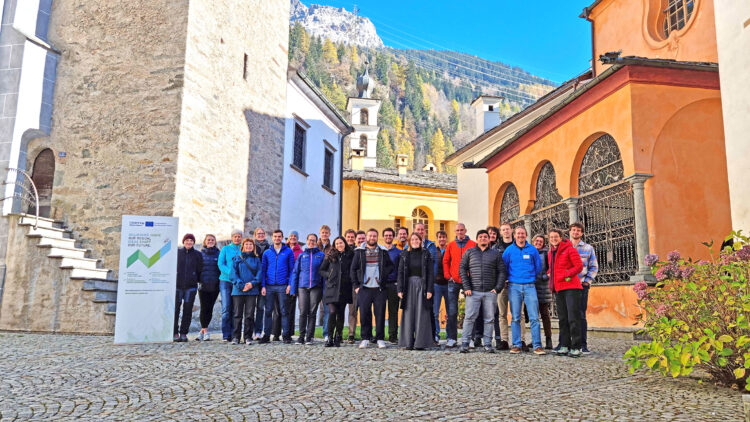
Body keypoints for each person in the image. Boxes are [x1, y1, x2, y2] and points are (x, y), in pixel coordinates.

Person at [459, 230, 506, 353]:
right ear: (477, 239)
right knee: (469, 317)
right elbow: (462, 269)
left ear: (489, 239)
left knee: (489, 319)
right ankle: (465, 343)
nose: (483, 239)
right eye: (480, 237)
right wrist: (466, 287)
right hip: (473, 291)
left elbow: (502, 271)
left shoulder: (495, 254)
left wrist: (497, 288)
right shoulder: (469, 252)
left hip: (490, 292)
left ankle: (488, 344)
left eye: (485, 237)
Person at [503, 226, 545, 355]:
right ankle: (516, 345)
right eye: (518, 234)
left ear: (526, 235)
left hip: (529, 286)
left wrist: (530, 276)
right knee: (515, 317)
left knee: (534, 317)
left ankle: (537, 345)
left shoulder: (532, 250)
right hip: (514, 286)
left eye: (523, 233)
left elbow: (538, 267)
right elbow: (504, 266)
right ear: (514, 236)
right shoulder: (509, 250)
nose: (520, 236)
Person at [351, 228, 395, 349]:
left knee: (380, 314)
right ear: (366, 237)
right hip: (364, 288)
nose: (372, 238)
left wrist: (383, 275)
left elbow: (390, 266)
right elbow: (353, 269)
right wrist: (356, 286)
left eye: (374, 236)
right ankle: (365, 338)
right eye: (370, 236)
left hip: (379, 288)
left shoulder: (383, 251)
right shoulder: (359, 252)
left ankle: (380, 338)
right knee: (364, 313)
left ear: (377, 237)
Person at [548, 228, 584, 357]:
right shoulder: (550, 252)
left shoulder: (569, 249)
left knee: (573, 317)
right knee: (562, 318)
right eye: (551, 237)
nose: (553, 239)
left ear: (561, 237)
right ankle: (564, 345)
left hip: (571, 288)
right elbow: (551, 268)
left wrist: (566, 274)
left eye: (555, 237)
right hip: (558, 289)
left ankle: (576, 346)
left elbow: (579, 266)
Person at [397, 232, 435, 350]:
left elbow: (430, 273)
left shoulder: (426, 254)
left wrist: (429, 290)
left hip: (422, 286)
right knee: (408, 313)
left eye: (417, 239)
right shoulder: (404, 254)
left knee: (421, 313)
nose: (415, 241)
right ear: (409, 241)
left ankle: (420, 343)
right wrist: (400, 289)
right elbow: (400, 272)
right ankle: (408, 342)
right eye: (412, 239)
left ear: (420, 241)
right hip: (408, 286)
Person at [442, 223, 476, 347]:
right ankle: (452, 338)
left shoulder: (473, 244)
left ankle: (469, 338)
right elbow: (445, 261)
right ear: (455, 232)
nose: (460, 232)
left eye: (462, 230)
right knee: (452, 311)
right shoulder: (451, 245)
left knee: (470, 311)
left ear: (465, 230)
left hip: (469, 281)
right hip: (453, 281)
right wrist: (447, 275)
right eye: (457, 230)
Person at [260, 229, 295, 344]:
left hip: (282, 286)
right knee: (268, 311)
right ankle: (266, 335)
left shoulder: (288, 252)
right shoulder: (267, 253)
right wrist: (263, 286)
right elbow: (263, 270)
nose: (277, 238)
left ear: (282, 237)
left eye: (279, 236)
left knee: (284, 311)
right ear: (272, 237)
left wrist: (290, 284)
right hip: (269, 286)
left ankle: (286, 335)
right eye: (275, 236)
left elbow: (292, 270)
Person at [569, 222, 598, 355]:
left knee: (581, 315)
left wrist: (587, 281)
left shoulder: (588, 248)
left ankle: (583, 344)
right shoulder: (565, 247)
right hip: (568, 286)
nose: (575, 232)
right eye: (573, 230)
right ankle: (571, 343)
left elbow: (594, 266)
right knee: (569, 315)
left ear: (581, 233)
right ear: (570, 232)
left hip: (581, 285)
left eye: (578, 231)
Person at [290, 234, 325, 345]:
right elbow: (295, 272)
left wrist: (324, 290)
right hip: (302, 287)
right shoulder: (302, 255)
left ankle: (309, 337)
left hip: (316, 287)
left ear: (316, 242)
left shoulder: (321, 255)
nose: (311, 242)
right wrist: (293, 289)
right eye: (310, 240)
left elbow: (324, 274)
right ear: (307, 241)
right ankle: (301, 336)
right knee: (303, 312)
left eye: (313, 240)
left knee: (312, 312)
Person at [320, 236, 354, 347]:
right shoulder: (330, 256)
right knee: (332, 311)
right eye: (337, 243)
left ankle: (338, 336)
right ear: (335, 245)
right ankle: (329, 337)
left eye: (341, 243)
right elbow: (321, 270)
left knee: (340, 313)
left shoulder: (350, 255)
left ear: (344, 243)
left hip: (344, 288)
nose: (339, 245)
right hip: (332, 288)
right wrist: (328, 275)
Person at [230, 238, 261, 345]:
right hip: (238, 291)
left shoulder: (257, 259)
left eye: (250, 244)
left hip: (252, 291)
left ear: (253, 247)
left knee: (249, 315)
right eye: (246, 244)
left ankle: (248, 337)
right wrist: (241, 285)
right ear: (243, 246)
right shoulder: (237, 258)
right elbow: (233, 274)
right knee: (237, 314)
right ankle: (236, 337)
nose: (248, 246)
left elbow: (259, 274)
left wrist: (252, 284)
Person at [174, 233, 203, 342]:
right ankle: (175, 332)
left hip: (191, 287)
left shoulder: (197, 255)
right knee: (175, 309)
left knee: (187, 310)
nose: (189, 242)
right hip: (177, 285)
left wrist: (197, 280)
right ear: (183, 241)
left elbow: (200, 269)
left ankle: (183, 333)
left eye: (191, 240)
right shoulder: (177, 253)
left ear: (193, 242)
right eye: (187, 240)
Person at [495, 223, 518, 350]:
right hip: (501, 284)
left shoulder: (519, 245)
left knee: (518, 314)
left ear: (512, 230)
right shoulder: (495, 248)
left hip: (516, 283)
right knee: (502, 314)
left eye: (507, 229)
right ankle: (504, 340)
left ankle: (520, 340)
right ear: (501, 232)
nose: (506, 232)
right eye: (503, 230)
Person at [217, 229, 242, 342]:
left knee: (236, 309)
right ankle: (226, 334)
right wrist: (231, 274)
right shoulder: (226, 249)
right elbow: (221, 264)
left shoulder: (243, 249)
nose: (237, 238)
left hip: (238, 282)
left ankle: (234, 333)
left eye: (239, 236)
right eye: (235, 236)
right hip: (226, 281)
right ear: (232, 238)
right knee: (226, 308)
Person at [196, 234, 221, 341]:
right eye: (208, 240)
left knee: (210, 308)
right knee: (203, 308)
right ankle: (205, 331)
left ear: (215, 242)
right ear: (205, 242)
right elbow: (197, 269)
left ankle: (202, 331)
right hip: (203, 285)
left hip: (215, 286)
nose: (210, 241)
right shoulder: (200, 254)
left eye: (212, 240)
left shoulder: (219, 254)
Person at [532, 234, 554, 349]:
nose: (538, 243)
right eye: (536, 241)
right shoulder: (530, 251)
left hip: (543, 286)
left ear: (543, 243)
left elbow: (551, 268)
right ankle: (535, 339)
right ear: (533, 241)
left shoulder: (546, 253)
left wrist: (545, 277)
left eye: (540, 241)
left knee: (545, 314)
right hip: (532, 287)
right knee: (533, 315)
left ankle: (548, 339)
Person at [382, 227, 403, 344]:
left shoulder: (399, 252)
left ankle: (392, 335)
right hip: (381, 284)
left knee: (393, 311)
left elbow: (400, 270)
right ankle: (379, 335)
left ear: (393, 237)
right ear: (383, 237)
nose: (388, 237)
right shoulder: (379, 250)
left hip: (393, 284)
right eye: (386, 235)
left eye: (390, 235)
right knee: (379, 310)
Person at [252, 227, 270, 340]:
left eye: (262, 233)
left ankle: (258, 331)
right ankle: (250, 331)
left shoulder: (269, 247)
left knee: (260, 308)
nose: (261, 235)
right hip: (253, 281)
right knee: (249, 309)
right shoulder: (251, 246)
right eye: (258, 233)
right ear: (255, 235)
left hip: (264, 281)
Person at [432, 230, 449, 344]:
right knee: (435, 312)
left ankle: (449, 335)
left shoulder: (449, 249)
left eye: (443, 237)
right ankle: (436, 334)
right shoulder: (434, 250)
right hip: (436, 284)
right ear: (437, 239)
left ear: (446, 238)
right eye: (440, 237)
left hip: (448, 284)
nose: (442, 239)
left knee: (450, 311)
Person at [317, 225, 333, 343]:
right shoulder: (315, 246)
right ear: (320, 233)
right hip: (315, 281)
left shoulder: (332, 248)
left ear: (329, 234)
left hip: (327, 282)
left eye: (326, 233)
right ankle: (308, 334)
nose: (324, 234)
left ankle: (326, 333)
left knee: (327, 309)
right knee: (311, 310)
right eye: (323, 232)